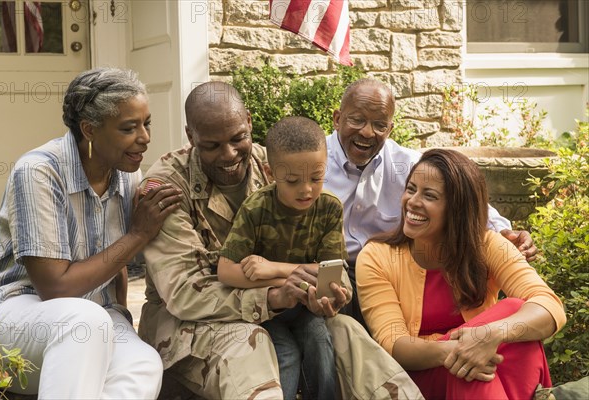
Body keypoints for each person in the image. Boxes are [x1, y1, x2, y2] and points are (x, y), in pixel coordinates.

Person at [138, 81, 423, 399]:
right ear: (191, 137)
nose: (229, 154)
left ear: (248, 121)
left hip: (282, 308)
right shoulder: (165, 187)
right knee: (253, 341)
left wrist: (331, 290)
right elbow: (185, 294)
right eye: (212, 145)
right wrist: (273, 297)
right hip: (189, 323)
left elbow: (326, 258)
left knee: (345, 331)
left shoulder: (279, 163)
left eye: (238, 138)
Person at [0, 67, 182, 398]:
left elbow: (115, 267)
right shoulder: (39, 172)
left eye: (146, 123)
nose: (145, 138)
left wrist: (121, 317)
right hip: (19, 316)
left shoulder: (125, 173)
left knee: (143, 363)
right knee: (85, 322)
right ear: (90, 129)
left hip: (96, 315)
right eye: (128, 128)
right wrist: (137, 235)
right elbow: (54, 287)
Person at [324, 78, 538, 325]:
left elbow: (462, 194)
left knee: (512, 309)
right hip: (333, 270)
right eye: (357, 120)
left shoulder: (407, 163)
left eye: (379, 125)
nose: (367, 132)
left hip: (389, 273)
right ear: (337, 118)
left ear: (390, 129)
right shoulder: (315, 163)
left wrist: (504, 231)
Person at [356, 148, 566, 399]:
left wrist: (492, 334)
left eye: (429, 195)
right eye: (410, 189)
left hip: (483, 369)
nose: (412, 201)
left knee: (516, 317)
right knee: (474, 362)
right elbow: (396, 346)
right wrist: (463, 349)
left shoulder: (487, 245)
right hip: (419, 376)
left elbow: (550, 306)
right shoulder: (376, 256)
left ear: (457, 208)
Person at [218, 116, 348, 400]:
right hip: (269, 309)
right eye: (292, 181)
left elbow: (331, 273)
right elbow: (226, 271)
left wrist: (271, 268)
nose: (306, 190)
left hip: (308, 306)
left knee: (320, 342)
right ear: (270, 171)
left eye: (316, 178)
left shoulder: (329, 208)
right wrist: (282, 281)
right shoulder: (256, 209)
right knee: (285, 355)